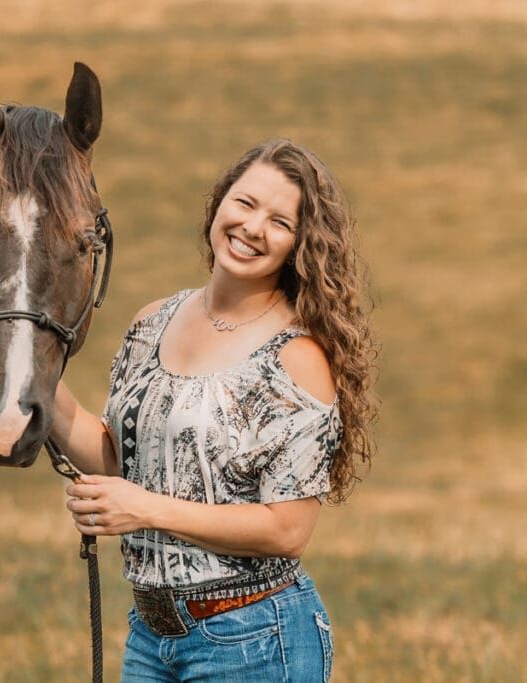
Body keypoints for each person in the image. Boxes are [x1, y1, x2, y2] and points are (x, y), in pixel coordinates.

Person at [50, 138, 377, 682]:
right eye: (244, 204)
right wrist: (30, 373)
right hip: (152, 638)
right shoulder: (154, 320)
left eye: (279, 222)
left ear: (299, 246)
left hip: (253, 639)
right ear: (219, 203)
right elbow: (116, 459)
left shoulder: (296, 358)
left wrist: (144, 509)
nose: (252, 228)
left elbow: (287, 531)